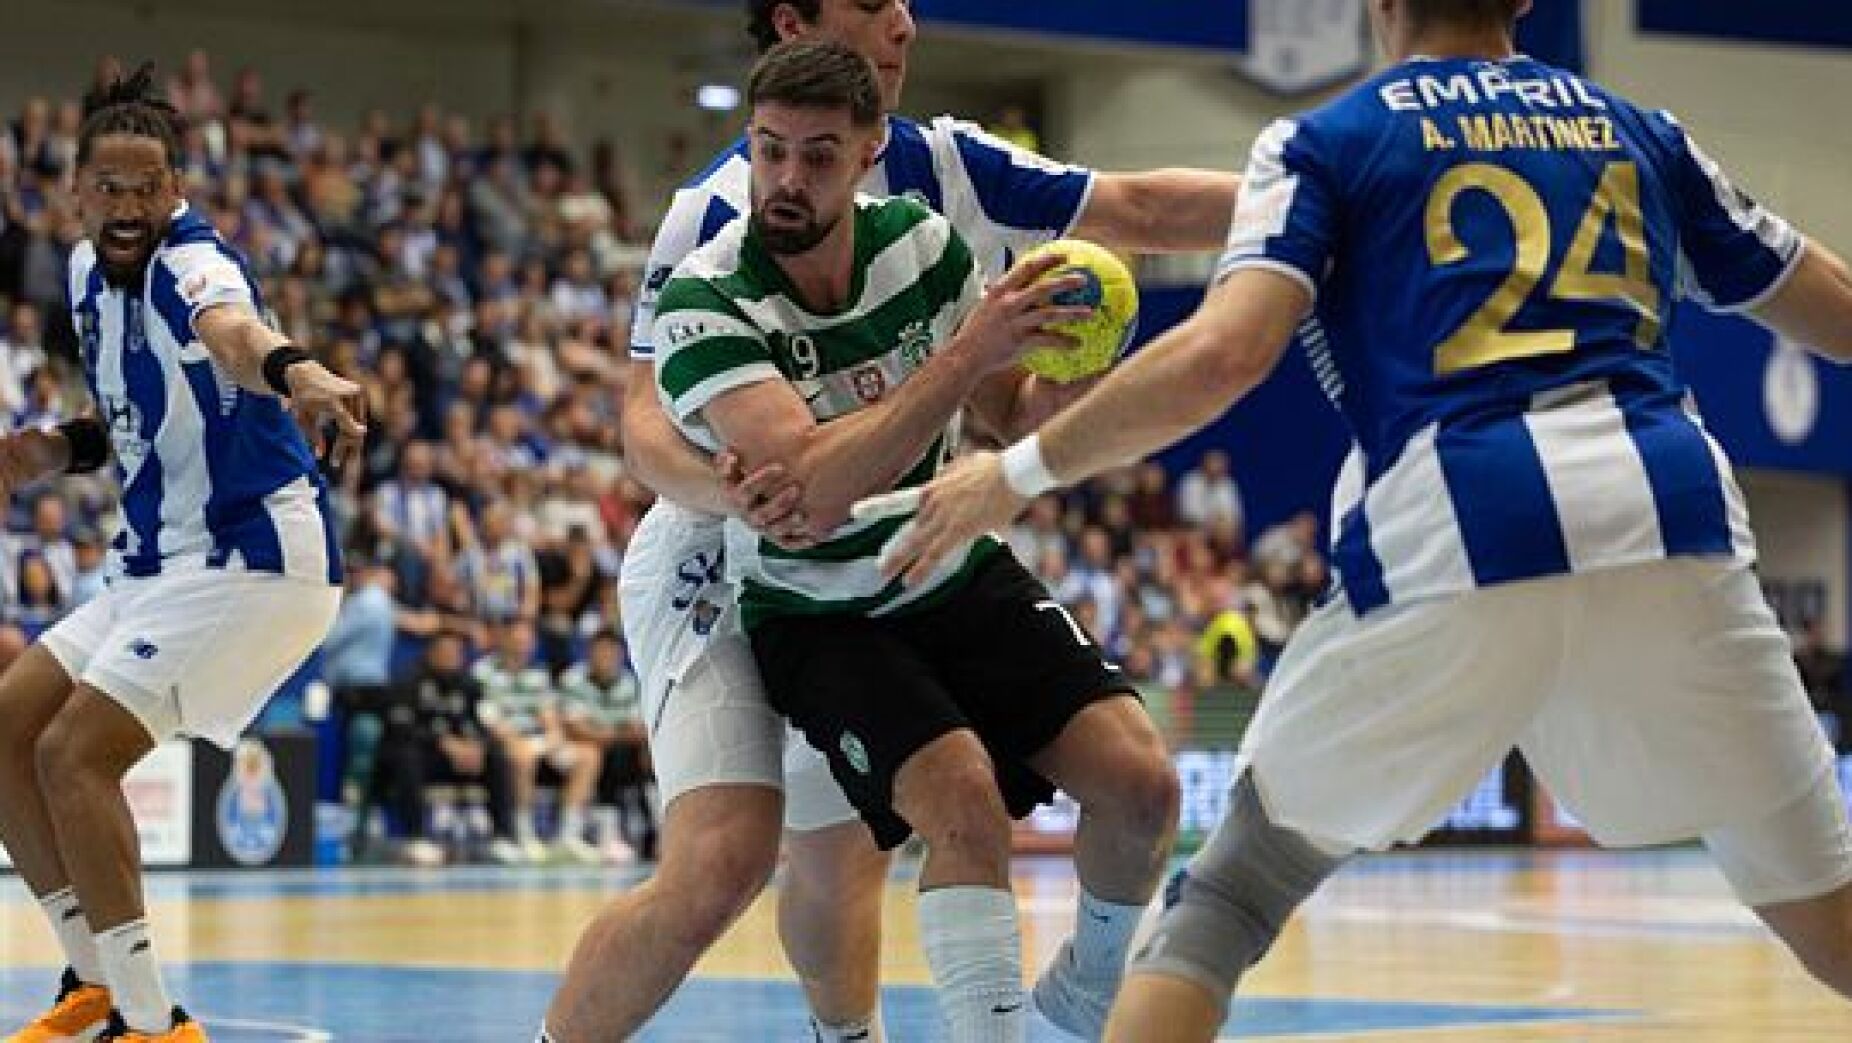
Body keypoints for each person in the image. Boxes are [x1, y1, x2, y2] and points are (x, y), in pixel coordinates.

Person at [888, 2, 1852, 1039]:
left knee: (1228, 898)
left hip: (1459, 524)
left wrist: (1015, 472)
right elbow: (1834, 307)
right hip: (1672, 522)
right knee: (1831, 922)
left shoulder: (1327, 143)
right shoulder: (1641, 134)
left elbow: (1222, 354)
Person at [543, 1, 1241, 1039]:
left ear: (866, 151)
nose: (903, 22)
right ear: (795, 24)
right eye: (871, 3)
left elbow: (1127, 217)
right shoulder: (711, 229)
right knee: (726, 857)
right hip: (733, 550)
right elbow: (645, 426)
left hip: (912, 532)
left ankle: (962, 1017)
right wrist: (729, 487)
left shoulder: (937, 187)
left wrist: (1078, 352)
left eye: (817, 154)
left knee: (863, 843)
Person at [0, 64, 363, 1043]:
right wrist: (45, 451)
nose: (128, 207)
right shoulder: (84, 273)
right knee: (8, 728)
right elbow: (133, 419)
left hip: (256, 556)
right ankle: (93, 987)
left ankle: (154, 1022)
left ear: (177, 190)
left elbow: (232, 333)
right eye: (108, 188)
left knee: (73, 754)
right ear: (74, 193)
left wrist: (296, 368)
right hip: (160, 560)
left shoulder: (190, 262)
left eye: (148, 187)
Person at [558, 627, 652, 864]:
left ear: (620, 655)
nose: (605, 656)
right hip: (576, 750)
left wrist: (604, 733)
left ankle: (654, 831)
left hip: (620, 751)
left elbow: (639, 729)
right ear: (589, 653)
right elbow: (575, 729)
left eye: (611, 652)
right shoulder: (573, 679)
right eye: (600, 651)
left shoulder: (630, 682)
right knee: (597, 753)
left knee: (642, 753)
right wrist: (614, 733)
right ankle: (595, 836)